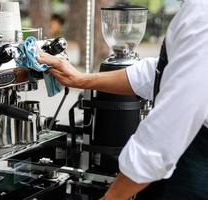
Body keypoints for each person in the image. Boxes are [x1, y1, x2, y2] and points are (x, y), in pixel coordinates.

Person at [37, 0, 208, 199]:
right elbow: (164, 71)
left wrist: (111, 197)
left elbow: (168, 127)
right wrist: (81, 79)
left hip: (196, 167)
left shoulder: (201, 12)